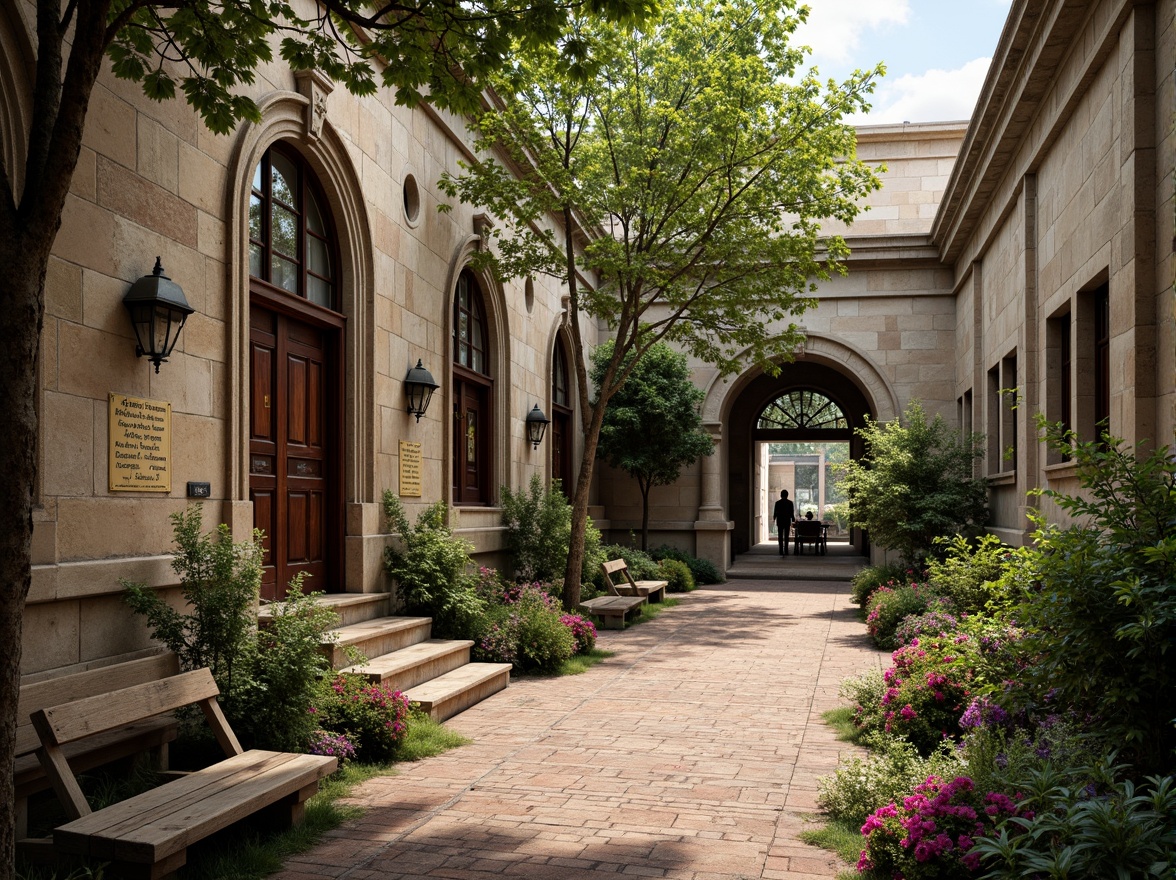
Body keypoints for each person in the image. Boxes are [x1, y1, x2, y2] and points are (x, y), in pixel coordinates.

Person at [773, 489, 796, 556]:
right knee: (786, 536)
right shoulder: (790, 503)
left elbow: (775, 512)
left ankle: (780, 550)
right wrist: (793, 519)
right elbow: (792, 513)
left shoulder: (777, 503)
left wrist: (774, 519)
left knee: (780, 536)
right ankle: (786, 549)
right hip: (787, 521)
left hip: (780, 521)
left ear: (781, 495)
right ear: (787, 495)